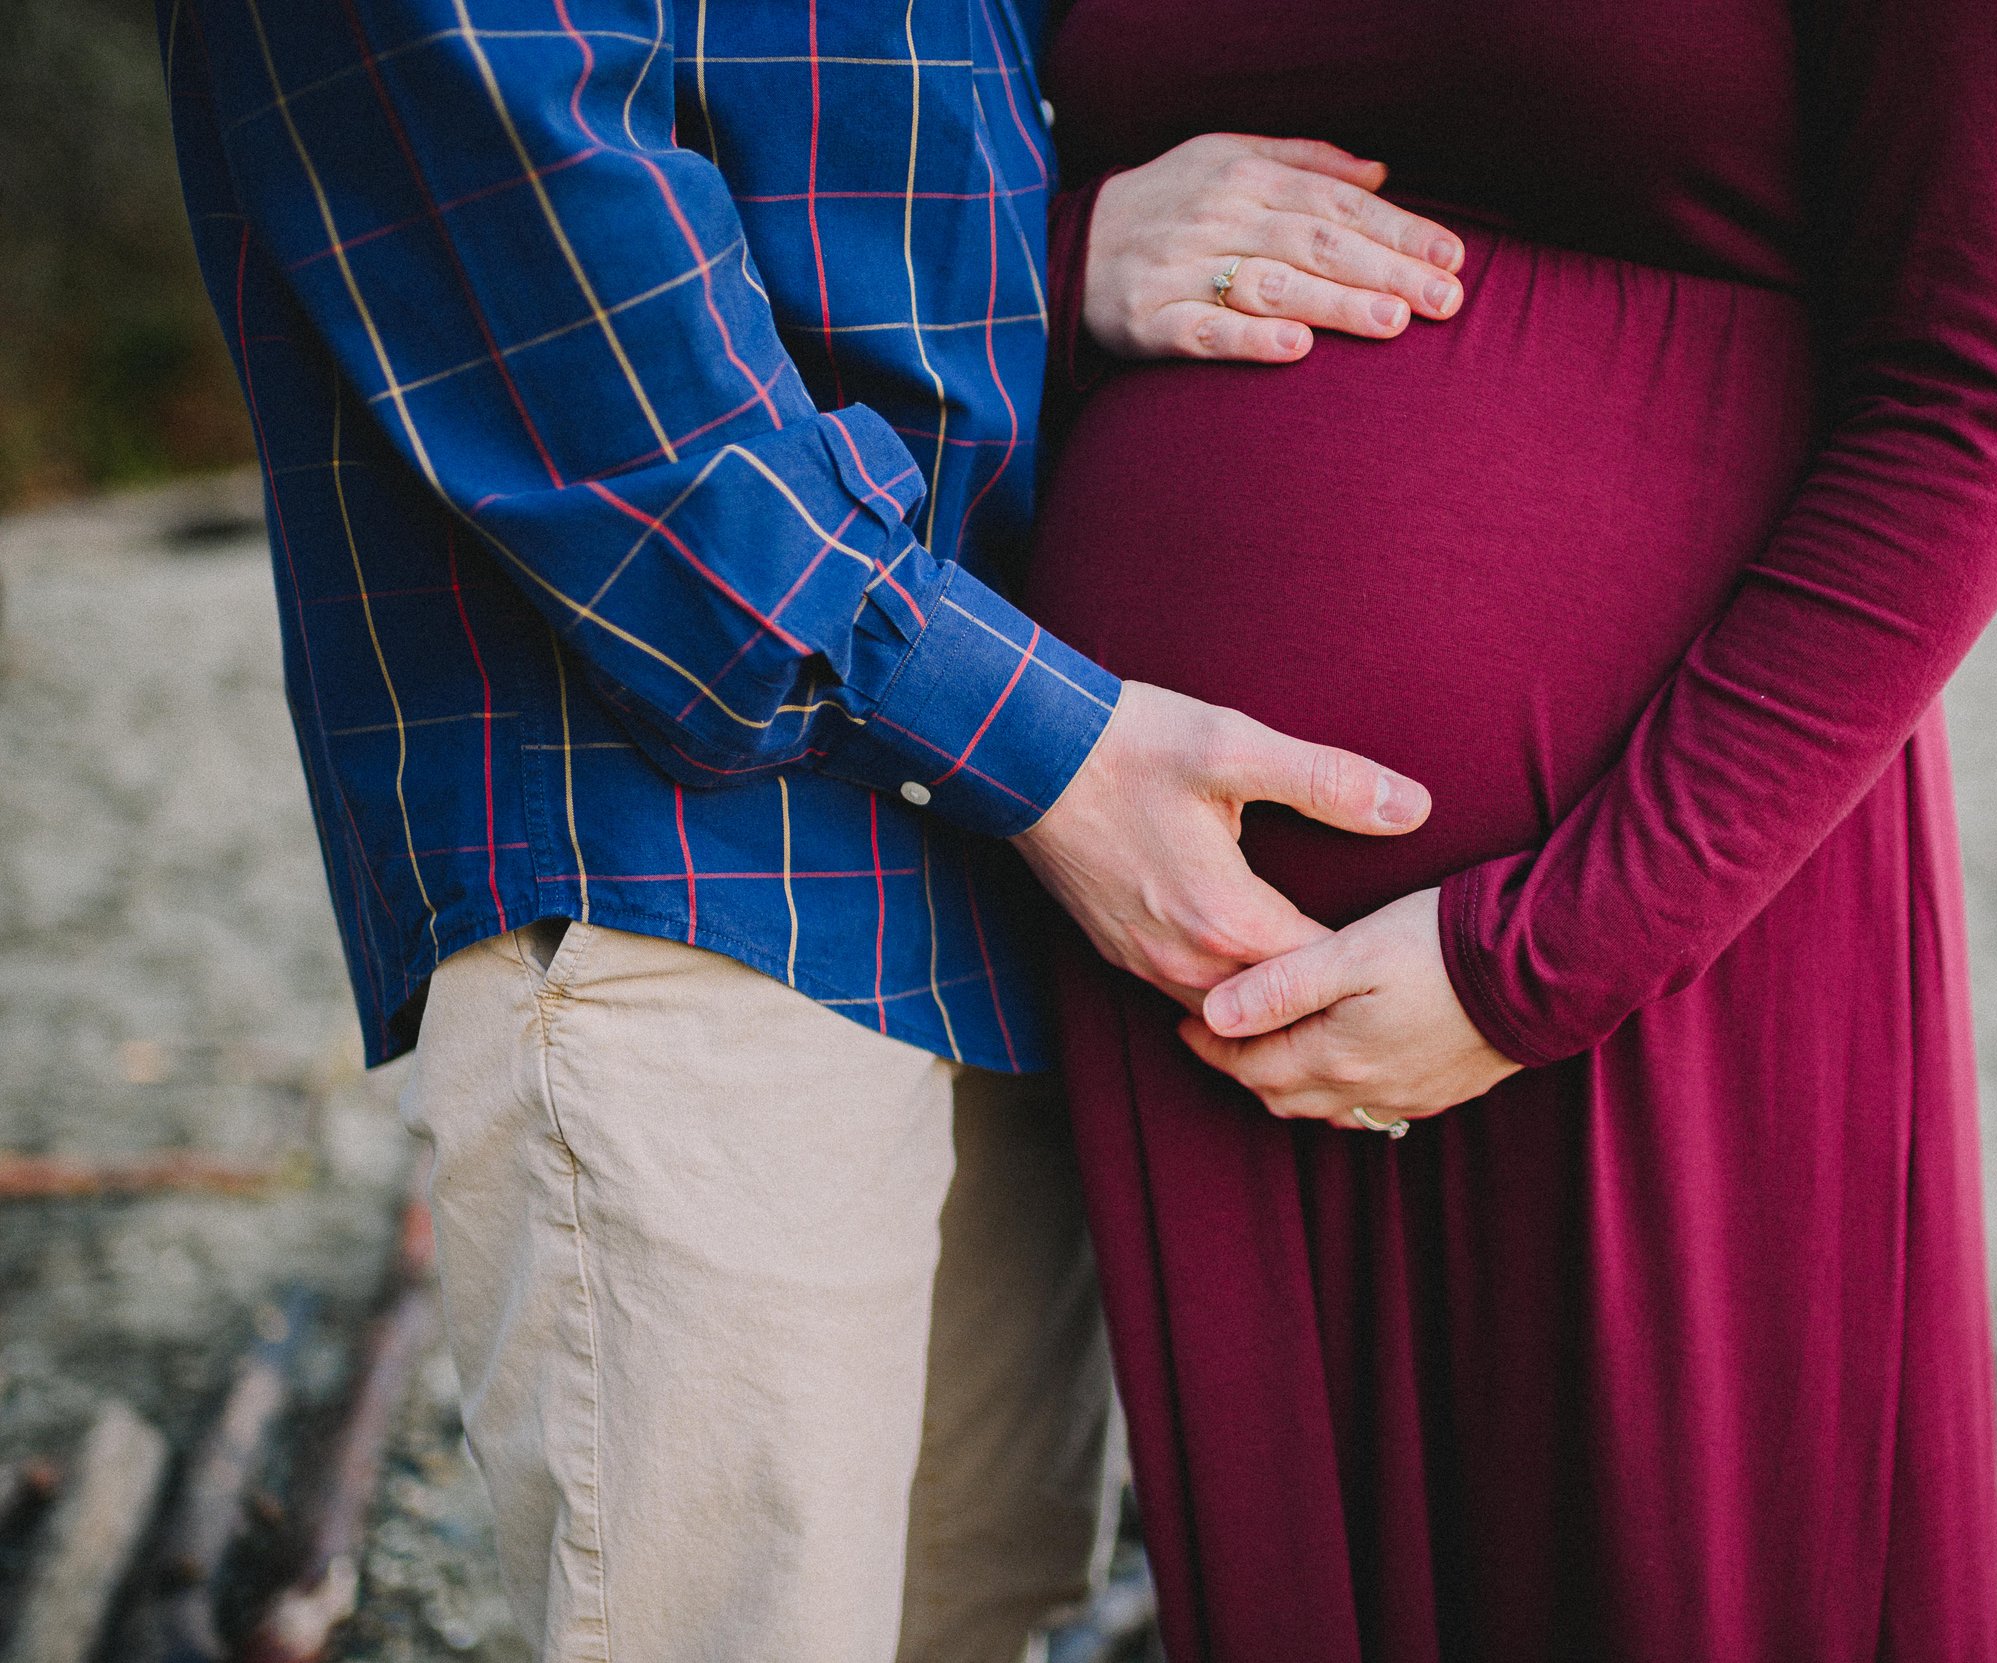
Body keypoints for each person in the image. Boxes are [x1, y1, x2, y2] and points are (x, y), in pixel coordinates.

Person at [156, 3, 1470, 1658]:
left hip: (1013, 873)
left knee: (973, 1610)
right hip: (687, 859)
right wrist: (1055, 753)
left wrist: (1053, 246)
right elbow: (556, 297)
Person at [1024, 0, 1997, 1658]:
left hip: (1678, 916)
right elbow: (865, 209)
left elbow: (1987, 383)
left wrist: (1548, 952)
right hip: (1177, 944)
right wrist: (1065, 257)